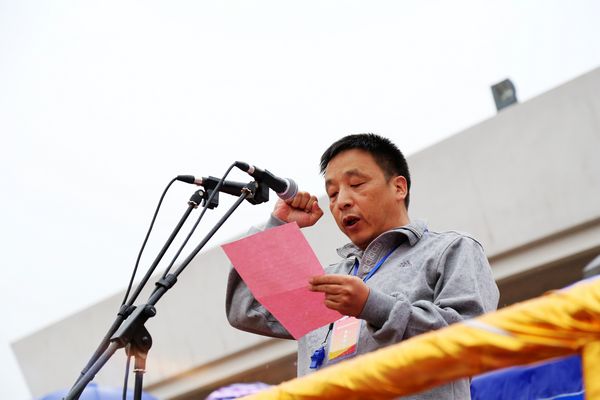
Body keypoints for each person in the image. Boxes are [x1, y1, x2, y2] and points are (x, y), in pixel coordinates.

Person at [226, 133, 499, 399]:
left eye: (356, 184)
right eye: (332, 193)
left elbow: (472, 340)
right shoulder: (330, 279)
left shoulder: (450, 249)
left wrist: (372, 306)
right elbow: (247, 310)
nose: (342, 201)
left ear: (399, 188)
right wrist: (276, 227)